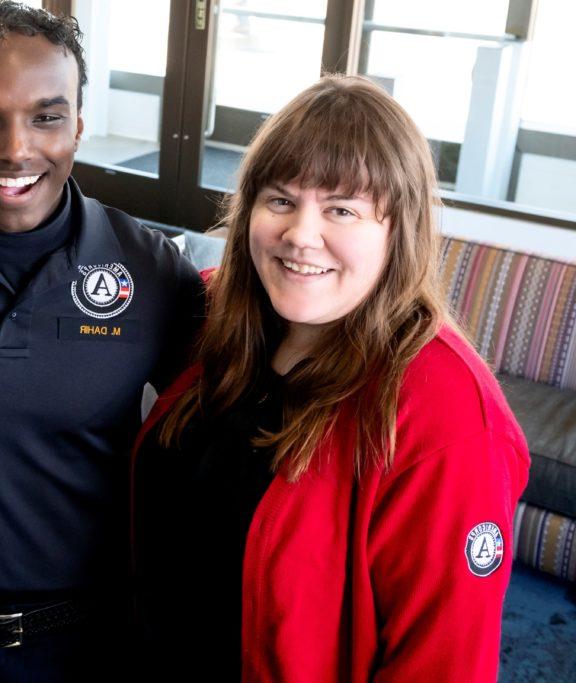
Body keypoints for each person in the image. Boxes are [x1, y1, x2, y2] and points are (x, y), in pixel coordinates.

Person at [132, 75, 530, 682]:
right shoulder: (214, 315)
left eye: (341, 209)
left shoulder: (446, 414)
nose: (300, 234)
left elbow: (443, 662)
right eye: (281, 200)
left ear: (400, 231)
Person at [0, 1, 202, 680]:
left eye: (47, 117)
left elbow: (220, 440)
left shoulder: (151, 271)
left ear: (79, 125)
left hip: (89, 647)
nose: (16, 149)